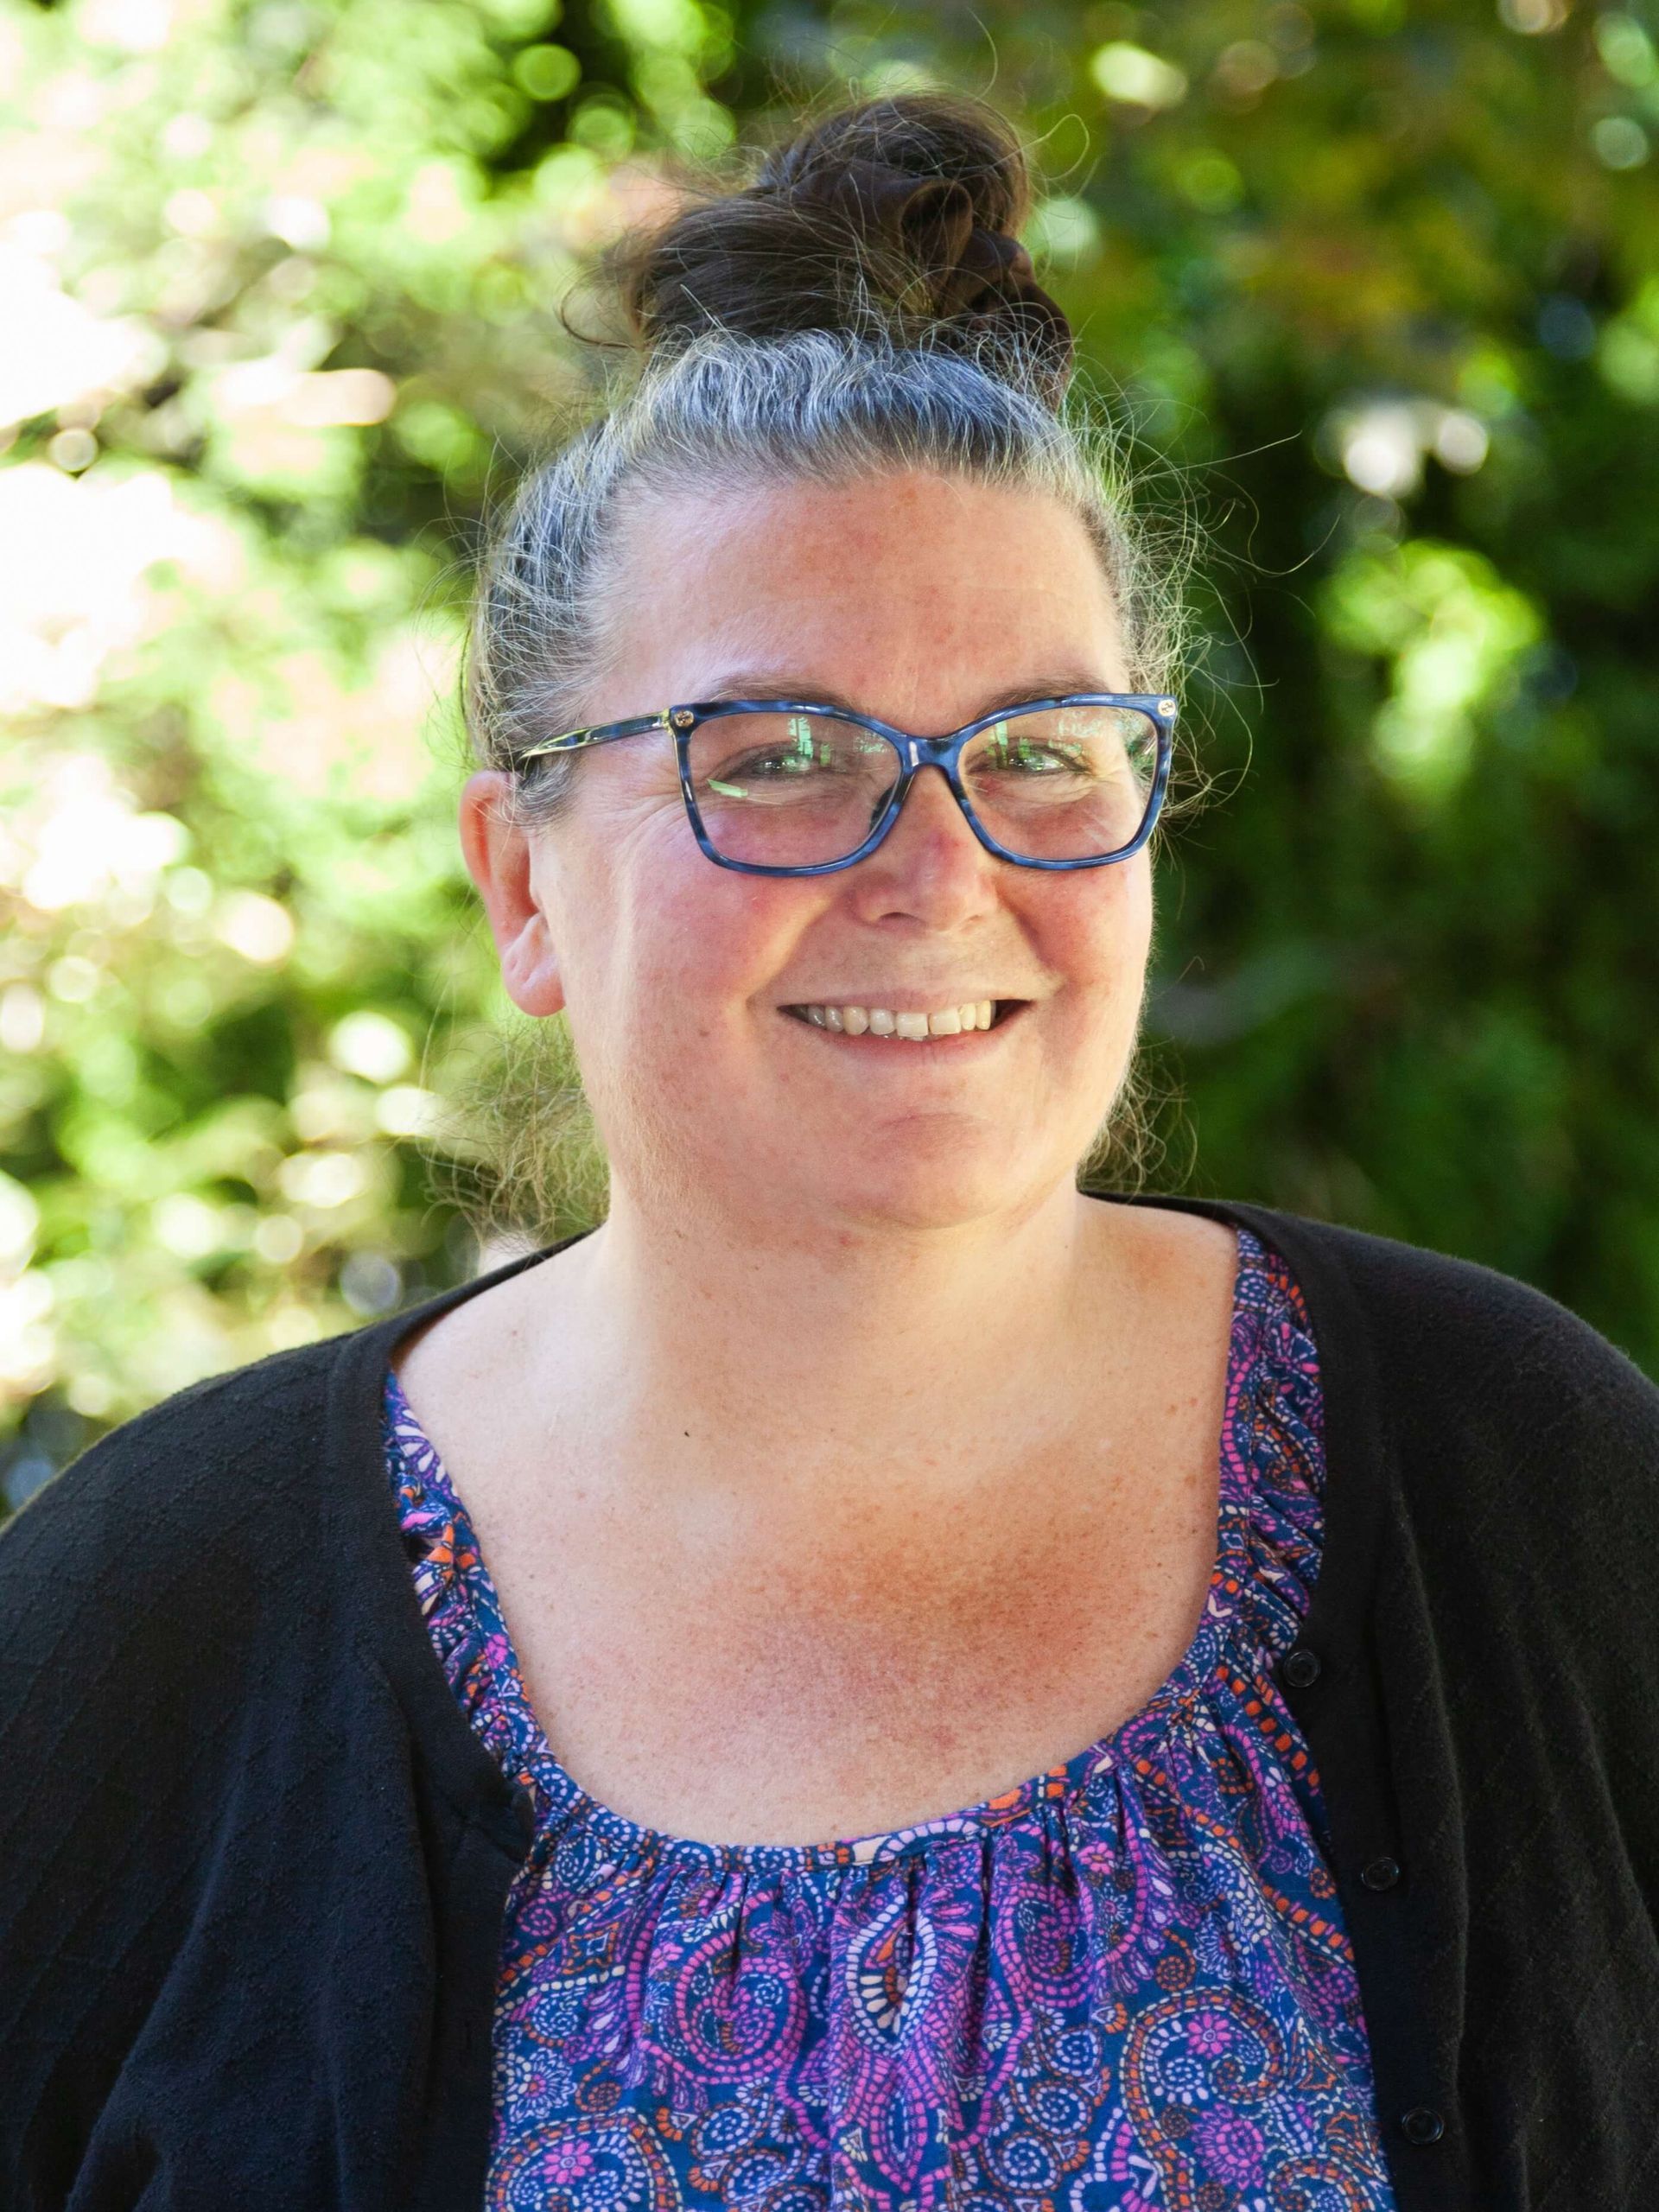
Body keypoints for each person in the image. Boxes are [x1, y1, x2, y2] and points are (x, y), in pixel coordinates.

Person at [3, 89, 1657, 2212]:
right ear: (522, 883)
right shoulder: (153, 1631)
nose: (938, 868)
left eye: (1041, 752)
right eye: (774, 756)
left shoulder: (1509, 1480)